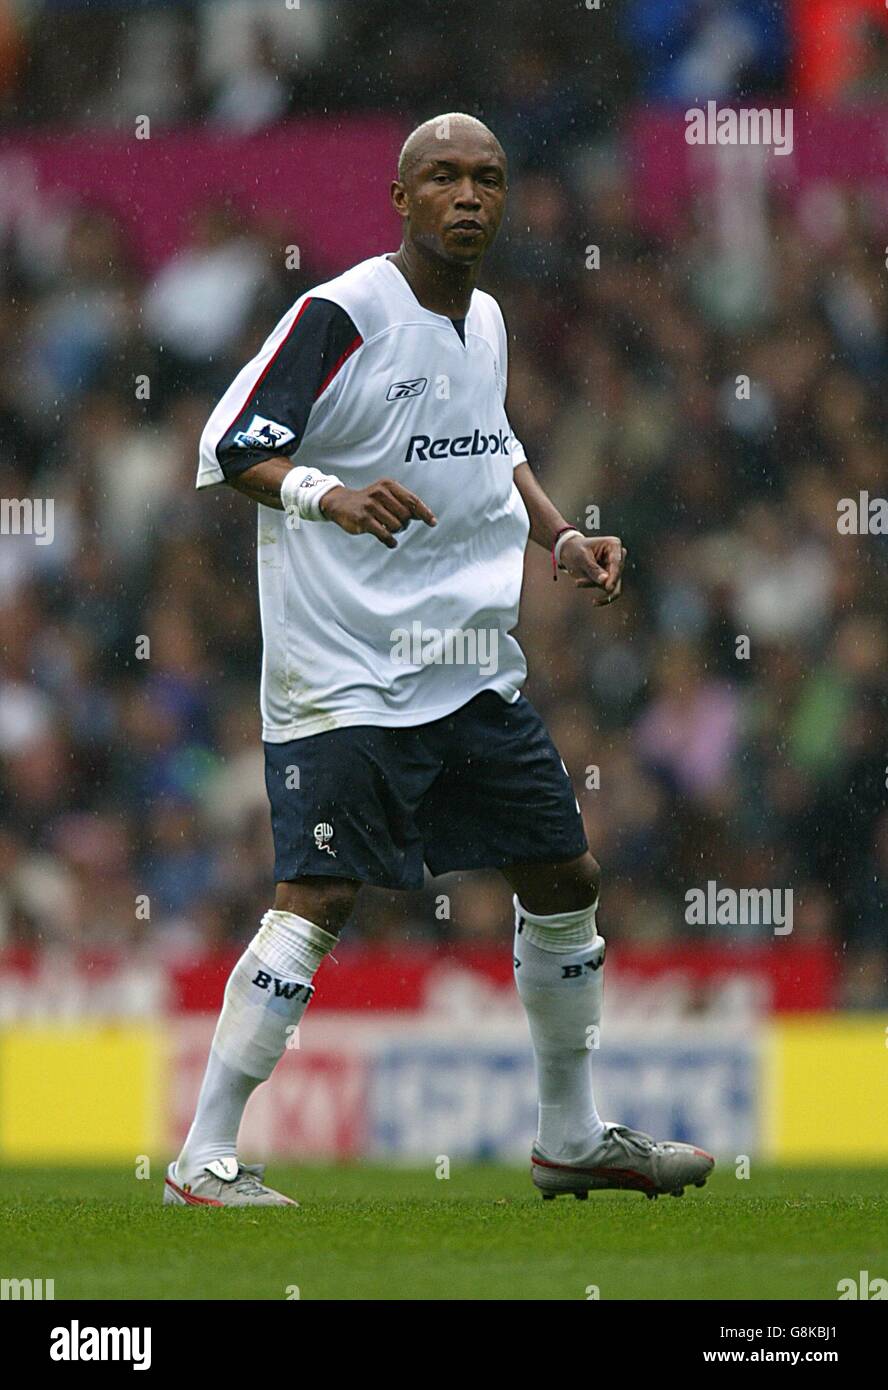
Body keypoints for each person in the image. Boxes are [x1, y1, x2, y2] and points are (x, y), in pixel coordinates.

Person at [165, 113, 714, 1207]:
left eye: (490, 179)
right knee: (318, 891)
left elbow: (493, 444)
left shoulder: (490, 319)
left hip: (467, 668)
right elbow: (228, 444)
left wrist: (560, 533)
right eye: (445, 178)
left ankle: (569, 1135)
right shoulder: (343, 313)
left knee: (565, 875)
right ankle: (202, 1155)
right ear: (399, 197)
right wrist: (332, 494)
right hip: (346, 675)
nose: (470, 196)